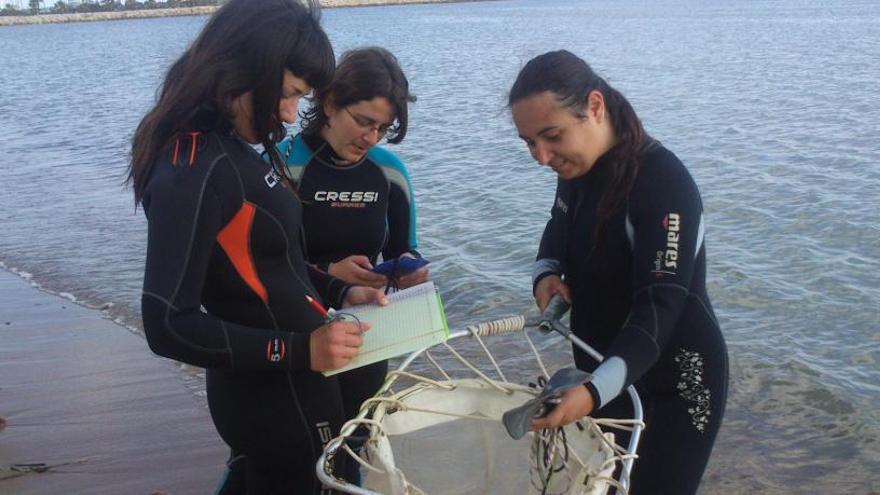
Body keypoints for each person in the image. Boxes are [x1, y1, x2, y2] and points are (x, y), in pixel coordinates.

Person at [128, 1, 387, 493]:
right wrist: (301, 348)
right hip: (275, 399)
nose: (291, 114)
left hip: (295, 384)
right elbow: (166, 322)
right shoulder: (194, 166)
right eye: (289, 94)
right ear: (248, 66)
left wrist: (338, 290)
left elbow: (271, 267)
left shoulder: (229, 147)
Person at [509, 50, 728, 494]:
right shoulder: (576, 165)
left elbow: (659, 307)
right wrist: (546, 273)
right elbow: (559, 224)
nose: (541, 156)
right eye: (529, 142)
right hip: (604, 374)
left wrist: (591, 393)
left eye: (550, 137)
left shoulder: (663, 184)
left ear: (594, 106)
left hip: (676, 383)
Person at [280, 46, 427, 484]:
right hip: (296, 336)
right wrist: (330, 275)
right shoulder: (285, 165)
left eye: (382, 128)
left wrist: (410, 272)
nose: (371, 138)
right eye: (363, 121)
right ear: (328, 102)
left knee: (351, 454)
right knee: (289, 460)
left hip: (365, 339)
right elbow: (260, 263)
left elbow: (407, 248)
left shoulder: (390, 173)